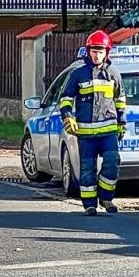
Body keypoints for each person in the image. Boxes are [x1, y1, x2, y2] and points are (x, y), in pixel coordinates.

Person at [58, 30, 126, 215]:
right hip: (86, 133)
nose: (97, 55)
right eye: (94, 51)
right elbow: (65, 98)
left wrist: (122, 122)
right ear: (88, 52)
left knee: (112, 163)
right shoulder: (78, 74)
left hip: (108, 131)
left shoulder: (114, 74)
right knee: (87, 168)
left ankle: (106, 198)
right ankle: (89, 204)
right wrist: (68, 116)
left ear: (107, 52)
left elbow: (120, 99)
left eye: (100, 51)